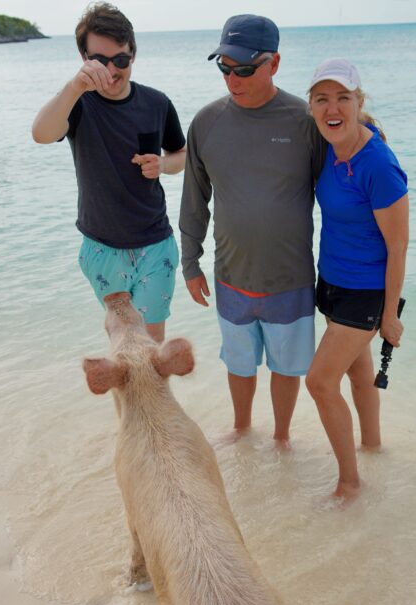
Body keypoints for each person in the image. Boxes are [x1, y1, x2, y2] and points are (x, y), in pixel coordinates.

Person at [179, 15, 325, 448]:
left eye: (244, 68)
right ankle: (242, 429)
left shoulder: (304, 120)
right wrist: (190, 262)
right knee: (239, 363)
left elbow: (338, 196)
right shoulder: (206, 122)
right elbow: (193, 198)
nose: (233, 78)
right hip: (231, 275)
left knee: (286, 365)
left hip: (291, 277)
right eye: (224, 66)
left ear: (274, 63)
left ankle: (281, 438)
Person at [31, 3, 186, 342]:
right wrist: (75, 87)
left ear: (133, 54)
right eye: (100, 60)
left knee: (151, 349)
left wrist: (163, 165)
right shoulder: (78, 104)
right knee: (123, 345)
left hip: (155, 245)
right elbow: (41, 133)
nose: (112, 71)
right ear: (84, 60)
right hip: (101, 248)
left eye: (121, 60)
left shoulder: (157, 103)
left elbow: (181, 154)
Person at [304, 58, 409, 504]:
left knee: (320, 382)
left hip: (366, 293)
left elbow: (399, 245)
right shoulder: (325, 144)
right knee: (357, 370)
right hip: (332, 282)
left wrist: (389, 316)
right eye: (322, 99)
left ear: (358, 102)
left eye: (342, 98)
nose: (333, 108)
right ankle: (372, 447)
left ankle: (350, 482)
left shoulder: (379, 165)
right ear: (311, 107)